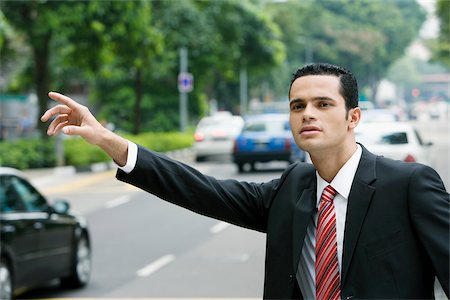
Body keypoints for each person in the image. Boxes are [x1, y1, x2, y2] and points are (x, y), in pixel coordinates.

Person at [41, 63, 449, 299]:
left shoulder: (409, 185)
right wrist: (111, 142)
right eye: (298, 105)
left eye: (323, 104)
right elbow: (204, 190)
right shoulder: (292, 188)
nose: (308, 113)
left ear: (353, 117)